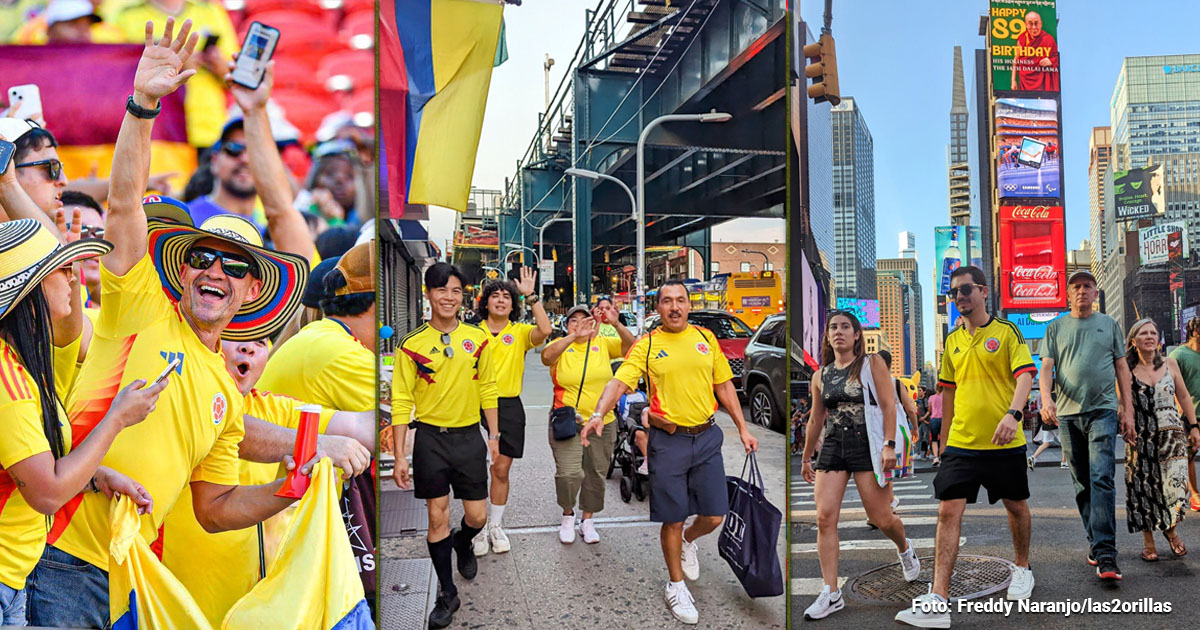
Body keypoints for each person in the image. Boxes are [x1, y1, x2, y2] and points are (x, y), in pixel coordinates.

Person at [24, 21, 315, 628]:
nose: (215, 271)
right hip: (57, 557)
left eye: (233, 265)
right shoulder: (138, 304)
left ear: (254, 289)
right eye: (202, 258)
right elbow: (125, 205)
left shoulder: (227, 397)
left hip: (134, 577)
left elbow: (215, 507)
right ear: (182, 272)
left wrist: (285, 491)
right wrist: (144, 105)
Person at [583, 280, 758, 626]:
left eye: (680, 300)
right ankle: (675, 585)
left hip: (706, 437)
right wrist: (598, 413)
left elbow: (722, 384)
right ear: (658, 308)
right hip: (668, 440)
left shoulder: (706, 339)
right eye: (667, 301)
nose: (674, 307)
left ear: (689, 305)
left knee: (714, 515)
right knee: (673, 518)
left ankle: (690, 542)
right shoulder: (647, 346)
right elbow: (618, 383)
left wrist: (743, 427)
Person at [897, 266, 1037, 628]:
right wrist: (943, 444)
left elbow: (1025, 375)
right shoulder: (952, 341)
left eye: (966, 289)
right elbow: (948, 391)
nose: (959, 296)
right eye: (954, 293)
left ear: (984, 291)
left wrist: (1014, 414)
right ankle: (938, 599)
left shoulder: (1007, 332)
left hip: (1004, 441)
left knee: (1016, 507)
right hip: (961, 443)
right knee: (947, 512)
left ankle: (1022, 567)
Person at [391, 262, 499, 629]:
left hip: (470, 437)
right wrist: (400, 453)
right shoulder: (412, 346)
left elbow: (488, 389)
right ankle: (447, 593)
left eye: (455, 290)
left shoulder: (478, 339)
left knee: (478, 516)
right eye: (441, 290)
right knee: (435, 515)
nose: (449, 297)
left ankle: (464, 541)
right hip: (431, 441)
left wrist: (495, 437)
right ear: (428, 294)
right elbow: (402, 400)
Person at [800, 311, 920, 621]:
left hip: (867, 444)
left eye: (845, 327)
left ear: (857, 335)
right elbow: (816, 418)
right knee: (825, 517)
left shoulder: (871, 364)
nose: (838, 332)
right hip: (833, 447)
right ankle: (831, 592)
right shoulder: (820, 375)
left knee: (881, 517)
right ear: (827, 336)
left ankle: (905, 548)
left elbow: (888, 405)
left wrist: (889, 445)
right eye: (833, 328)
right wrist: (805, 456)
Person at [1038, 268, 1132, 581]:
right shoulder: (1055, 327)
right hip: (1066, 415)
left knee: (1102, 478)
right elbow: (1047, 368)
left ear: (1095, 293)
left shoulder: (1110, 324)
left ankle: (1106, 553)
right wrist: (1046, 400)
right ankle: (1095, 539)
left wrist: (1126, 409)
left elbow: (1122, 369)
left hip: (1103, 411)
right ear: (1068, 293)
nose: (1081, 291)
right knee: (1082, 482)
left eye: (1087, 286)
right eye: (1076, 286)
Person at [469, 268, 552, 556]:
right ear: (486, 302)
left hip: (507, 406)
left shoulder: (518, 332)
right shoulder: (470, 331)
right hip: (470, 404)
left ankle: (494, 525)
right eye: (495, 295)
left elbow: (545, 331)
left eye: (507, 296)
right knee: (474, 469)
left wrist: (531, 296)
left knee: (500, 469)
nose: (501, 300)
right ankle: (476, 526)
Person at [541, 303, 634, 545]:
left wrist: (615, 324)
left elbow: (631, 347)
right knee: (569, 473)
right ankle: (568, 515)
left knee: (595, 474)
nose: (580, 323)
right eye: (574, 320)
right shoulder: (561, 346)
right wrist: (574, 336)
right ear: (567, 324)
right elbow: (546, 357)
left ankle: (588, 520)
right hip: (568, 420)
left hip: (603, 420)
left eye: (585, 320)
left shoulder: (602, 344)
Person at [1125, 318, 1200, 561]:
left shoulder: (1170, 364)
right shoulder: (1126, 368)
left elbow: (1185, 396)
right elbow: (1122, 405)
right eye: (1143, 333)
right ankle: (1149, 541)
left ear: (1158, 339)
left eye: (1153, 332)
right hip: (1141, 436)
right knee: (1143, 488)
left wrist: (1195, 427)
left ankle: (1171, 531)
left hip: (1172, 435)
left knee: (1174, 489)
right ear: (1134, 341)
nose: (1149, 336)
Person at [1168, 316, 1200, 512]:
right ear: (1195, 331)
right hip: (1188, 415)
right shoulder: (1179, 355)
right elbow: (1170, 384)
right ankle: (1195, 494)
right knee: (1187, 455)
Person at [1010, 10, 1059, 91]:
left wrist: (1050, 61)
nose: (1034, 27)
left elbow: (1056, 58)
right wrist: (1013, 80)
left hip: (1042, 83)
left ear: (1041, 24)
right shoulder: (1022, 39)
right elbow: (1016, 60)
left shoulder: (1048, 39)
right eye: (1030, 24)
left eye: (1036, 23)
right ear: (1025, 25)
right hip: (1025, 81)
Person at [927, 385, 943, 466]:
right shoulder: (945, 397)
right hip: (943, 419)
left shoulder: (931, 398)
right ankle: (943, 456)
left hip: (933, 419)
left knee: (934, 439)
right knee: (944, 438)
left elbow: (930, 410)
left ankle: (936, 457)